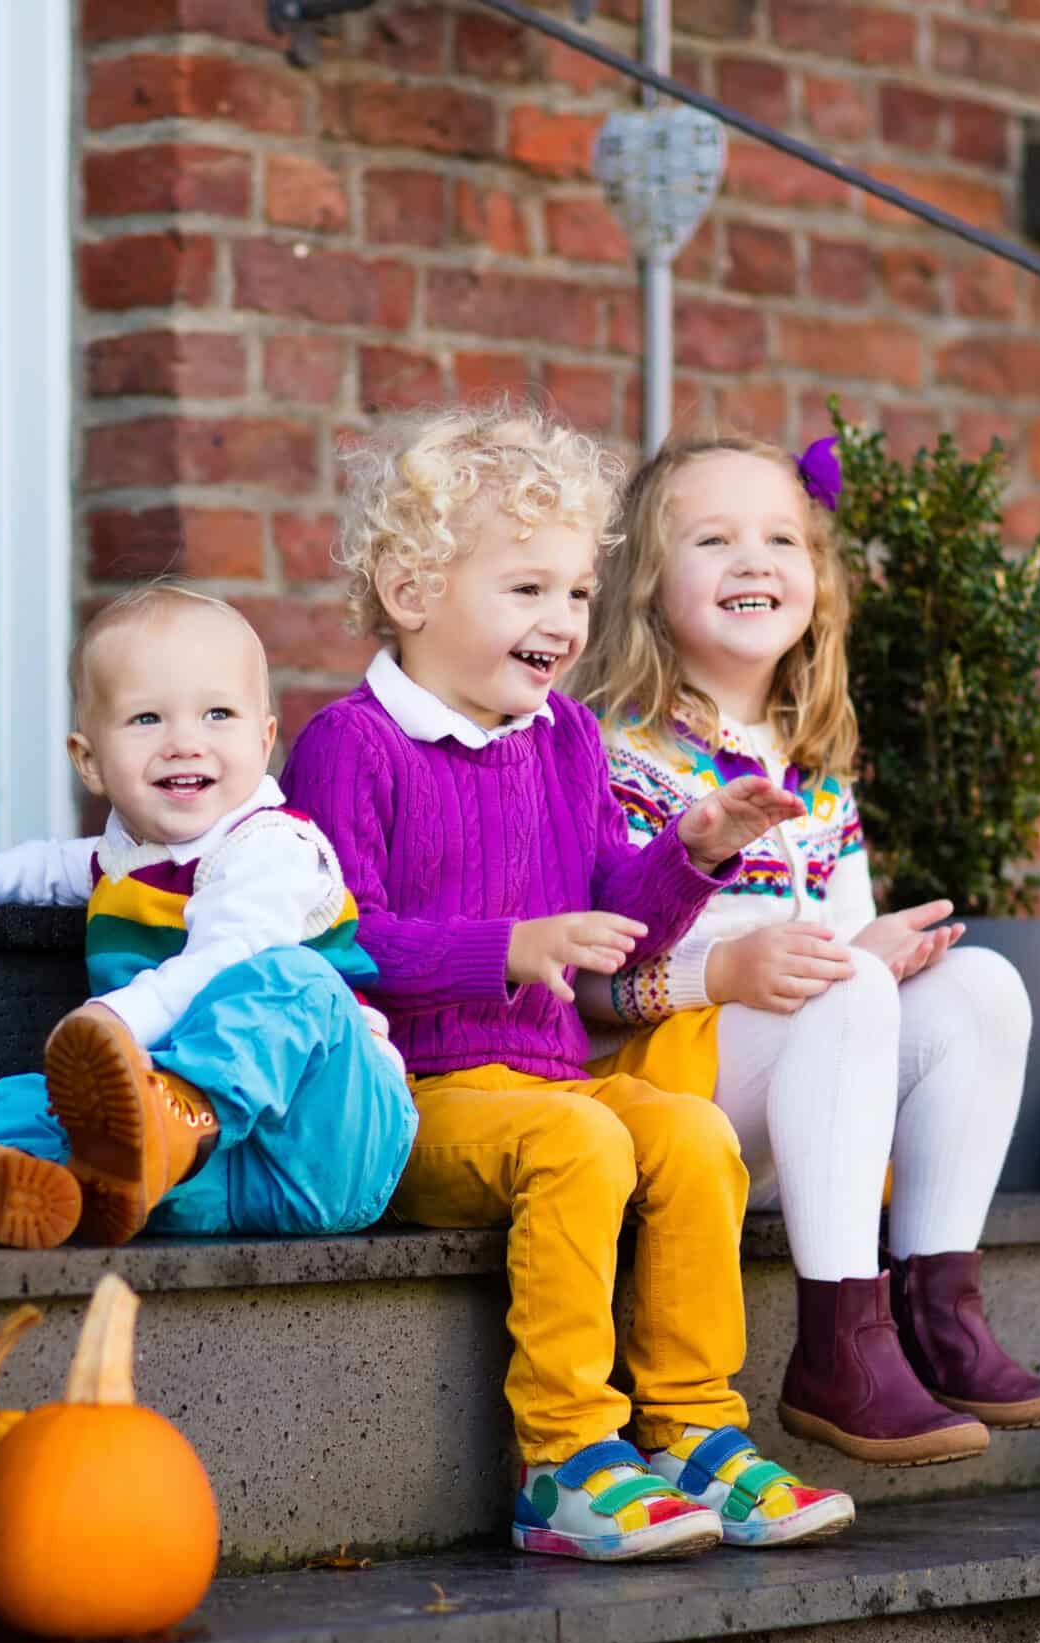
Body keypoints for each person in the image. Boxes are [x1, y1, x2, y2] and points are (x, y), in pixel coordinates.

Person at [279, 400, 855, 1561]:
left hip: (549, 1081)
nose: (562, 621)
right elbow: (331, 945)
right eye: (526, 589)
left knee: (689, 1135)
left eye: (577, 594)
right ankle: (565, 1460)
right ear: (411, 591)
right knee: (583, 1146)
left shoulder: (564, 743)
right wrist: (504, 948)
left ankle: (693, 1429)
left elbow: (621, 928)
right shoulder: (353, 746)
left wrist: (691, 852)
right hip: (412, 1099)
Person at [565, 433, 1040, 1466]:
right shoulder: (611, 753)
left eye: (780, 538)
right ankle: (838, 1345)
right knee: (846, 978)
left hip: (801, 1101)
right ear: (644, 583)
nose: (754, 560)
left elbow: (839, 970)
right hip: (665, 1092)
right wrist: (728, 972)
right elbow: (584, 989)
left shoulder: (816, 772)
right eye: (712, 538)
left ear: (816, 577)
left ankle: (940, 1311)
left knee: (981, 982)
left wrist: (879, 953)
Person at [0, 583, 416, 1249]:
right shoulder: (120, 859)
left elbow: (224, 957)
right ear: (89, 760)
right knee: (27, 1098)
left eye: (217, 714)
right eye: (147, 719)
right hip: (212, 1169)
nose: (184, 741)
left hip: (329, 1136)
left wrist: (120, 1016)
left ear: (265, 739)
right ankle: (1, 1181)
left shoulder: (274, 847)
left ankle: (171, 1121)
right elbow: (34, 870)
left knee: (292, 980)